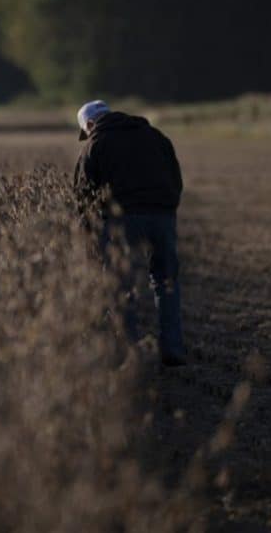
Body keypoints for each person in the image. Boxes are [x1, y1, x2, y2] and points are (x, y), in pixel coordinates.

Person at [73, 100, 188, 367]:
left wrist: (88, 234)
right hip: (163, 216)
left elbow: (84, 196)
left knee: (121, 284)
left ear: (90, 124)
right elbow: (176, 178)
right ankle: (172, 348)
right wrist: (167, 209)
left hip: (123, 219)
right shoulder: (156, 136)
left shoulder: (95, 145)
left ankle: (130, 350)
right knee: (166, 281)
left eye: (86, 131)